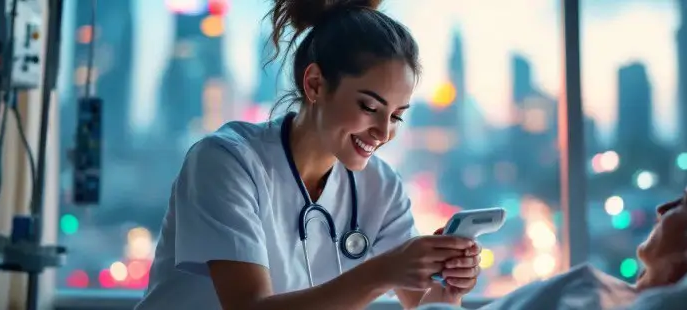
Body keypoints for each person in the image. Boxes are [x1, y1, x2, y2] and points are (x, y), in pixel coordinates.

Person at [135, 0, 482, 309]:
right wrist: (380, 273)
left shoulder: (382, 186)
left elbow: (419, 301)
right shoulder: (225, 162)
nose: (384, 131)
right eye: (369, 106)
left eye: (396, 116)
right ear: (314, 84)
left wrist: (446, 287)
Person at [417, 152, 687, 310]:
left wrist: (424, 284)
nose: (662, 208)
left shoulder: (587, 297)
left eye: (684, 203)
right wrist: (445, 296)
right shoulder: (600, 296)